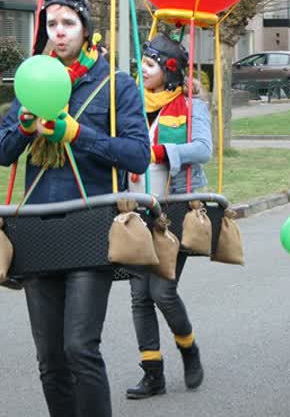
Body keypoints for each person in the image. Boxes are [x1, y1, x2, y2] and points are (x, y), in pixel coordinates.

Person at [0, 0, 150, 417]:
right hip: (38, 228)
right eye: (51, 24)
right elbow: (0, 152)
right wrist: (23, 128)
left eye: (68, 23)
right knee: (50, 358)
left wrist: (78, 134)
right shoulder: (34, 80)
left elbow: (138, 155)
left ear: (86, 27)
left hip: (90, 226)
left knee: (80, 347)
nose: (58, 32)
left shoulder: (116, 84)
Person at [124, 34, 212, 399]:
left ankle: (188, 348)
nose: (143, 70)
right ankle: (152, 373)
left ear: (170, 71)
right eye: (142, 64)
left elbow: (203, 149)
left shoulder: (191, 106)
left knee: (162, 291)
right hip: (135, 208)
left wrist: (161, 151)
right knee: (139, 296)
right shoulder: (130, 103)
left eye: (150, 65)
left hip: (174, 207)